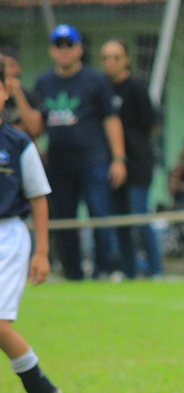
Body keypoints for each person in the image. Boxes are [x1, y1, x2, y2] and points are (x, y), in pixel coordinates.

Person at [0, 57, 63, 393]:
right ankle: (41, 388)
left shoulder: (17, 143)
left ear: (6, 92)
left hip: (9, 238)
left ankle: (42, 389)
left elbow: (39, 198)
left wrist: (41, 252)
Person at [34, 24, 127, 281]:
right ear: (52, 50)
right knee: (64, 218)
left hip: (93, 161)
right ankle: (73, 272)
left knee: (99, 214)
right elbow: (37, 123)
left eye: (69, 45)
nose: (64, 51)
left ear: (79, 49)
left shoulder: (95, 80)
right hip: (59, 165)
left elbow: (111, 119)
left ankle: (103, 269)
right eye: (58, 46)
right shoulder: (43, 82)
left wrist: (118, 159)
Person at [99, 39, 163, 280]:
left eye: (115, 57)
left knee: (139, 217)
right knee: (120, 222)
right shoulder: (102, 88)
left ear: (126, 59)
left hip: (137, 165)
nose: (110, 62)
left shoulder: (135, 87)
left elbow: (152, 123)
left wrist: (134, 151)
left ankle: (156, 270)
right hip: (111, 166)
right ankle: (128, 271)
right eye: (105, 57)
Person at [0, 48, 44, 140]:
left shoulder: (30, 95)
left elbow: (34, 130)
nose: (7, 71)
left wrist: (18, 94)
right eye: (3, 67)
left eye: (11, 65)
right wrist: (21, 128)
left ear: (18, 67)